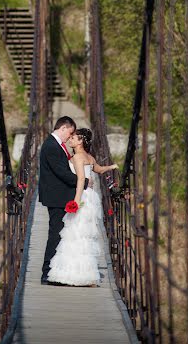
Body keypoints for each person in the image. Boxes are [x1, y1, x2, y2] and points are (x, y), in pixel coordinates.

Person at [47, 127, 118, 287]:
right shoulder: (89, 157)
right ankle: (86, 274)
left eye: (74, 138)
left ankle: (73, 274)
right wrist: (111, 167)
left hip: (82, 195)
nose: (70, 140)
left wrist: (76, 201)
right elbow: (98, 169)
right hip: (91, 197)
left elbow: (80, 180)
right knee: (84, 236)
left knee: (74, 235)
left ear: (81, 141)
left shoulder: (78, 157)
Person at [39, 116, 90, 285]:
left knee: (60, 234)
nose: (70, 137)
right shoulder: (51, 146)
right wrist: (83, 181)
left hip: (59, 196)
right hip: (57, 197)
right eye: (69, 133)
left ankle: (56, 272)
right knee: (56, 234)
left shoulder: (55, 145)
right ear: (62, 128)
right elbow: (61, 172)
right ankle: (47, 273)